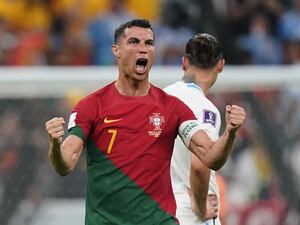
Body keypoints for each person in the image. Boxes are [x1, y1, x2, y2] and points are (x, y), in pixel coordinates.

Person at [45, 19, 246, 225]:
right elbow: (65, 163)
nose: (143, 49)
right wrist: (54, 143)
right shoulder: (90, 106)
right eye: (134, 42)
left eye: (149, 43)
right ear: (117, 50)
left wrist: (230, 132)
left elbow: (210, 157)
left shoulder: (172, 107)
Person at [164, 33, 228, 225]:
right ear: (220, 65)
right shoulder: (204, 108)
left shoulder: (159, 98)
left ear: (184, 62)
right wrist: (201, 208)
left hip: (156, 208)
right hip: (189, 214)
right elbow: (200, 164)